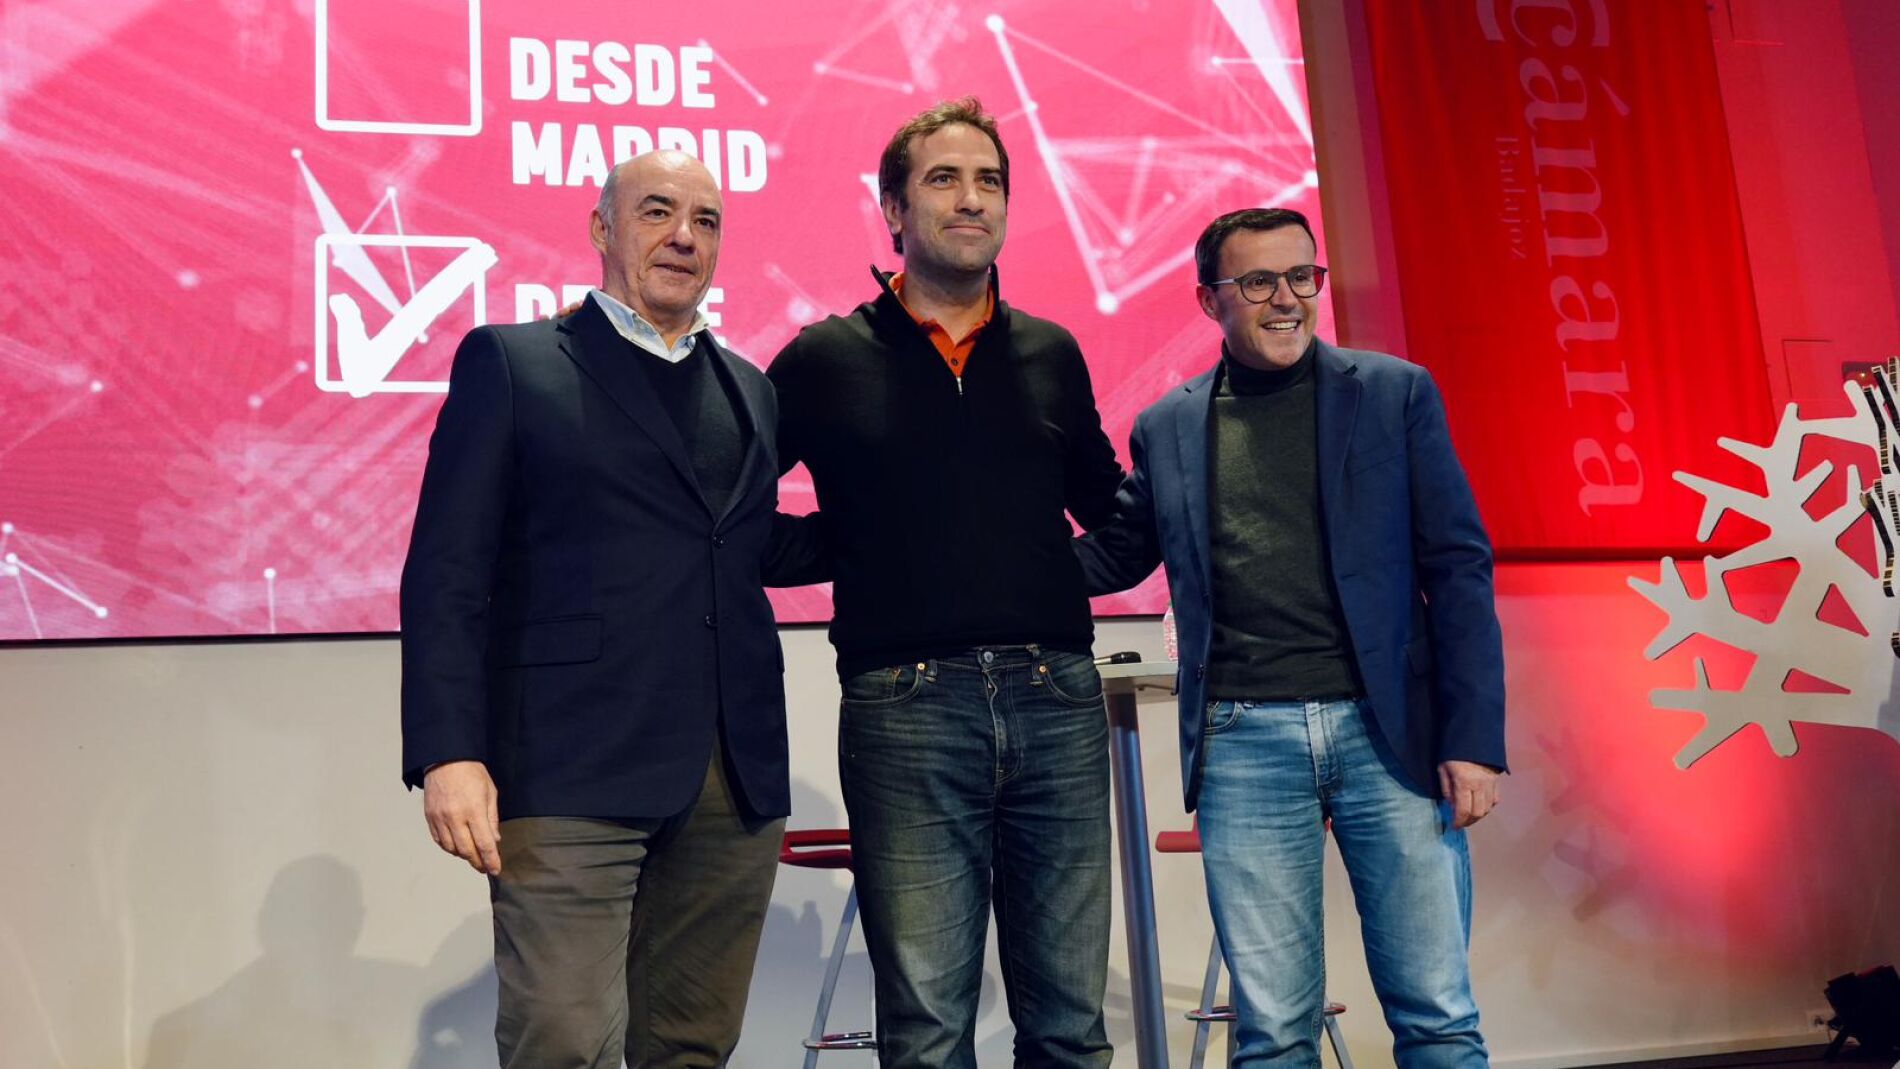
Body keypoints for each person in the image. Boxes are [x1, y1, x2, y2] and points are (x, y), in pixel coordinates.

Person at [400, 150, 822, 1069]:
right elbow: (447, 572)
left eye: (705, 221)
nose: (684, 237)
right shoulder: (513, 362)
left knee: (691, 1048)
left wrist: (915, 515)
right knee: (563, 1041)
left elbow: (743, 544)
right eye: (657, 211)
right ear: (602, 228)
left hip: (729, 775)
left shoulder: (750, 387)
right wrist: (447, 751)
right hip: (567, 765)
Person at [1076, 206, 1507, 1068]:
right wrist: (982, 557)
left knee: (1438, 1016)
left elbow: (1459, 566)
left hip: (1390, 736)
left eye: (1301, 276)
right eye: (1258, 281)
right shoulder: (1167, 426)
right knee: (1272, 1033)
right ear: (1210, 300)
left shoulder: (1394, 393)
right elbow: (1115, 554)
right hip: (1244, 741)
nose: (1286, 298)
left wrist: (1472, 739)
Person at [767, 98, 1124, 1069]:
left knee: (1071, 1027)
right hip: (905, 706)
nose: (972, 199)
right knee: (926, 1034)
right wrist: (859, 546)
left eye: (989, 181)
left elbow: (1114, 509)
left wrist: (1049, 575)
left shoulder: (1050, 351)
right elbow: (734, 516)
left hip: (1057, 697)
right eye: (944, 179)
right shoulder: (824, 357)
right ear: (894, 209)